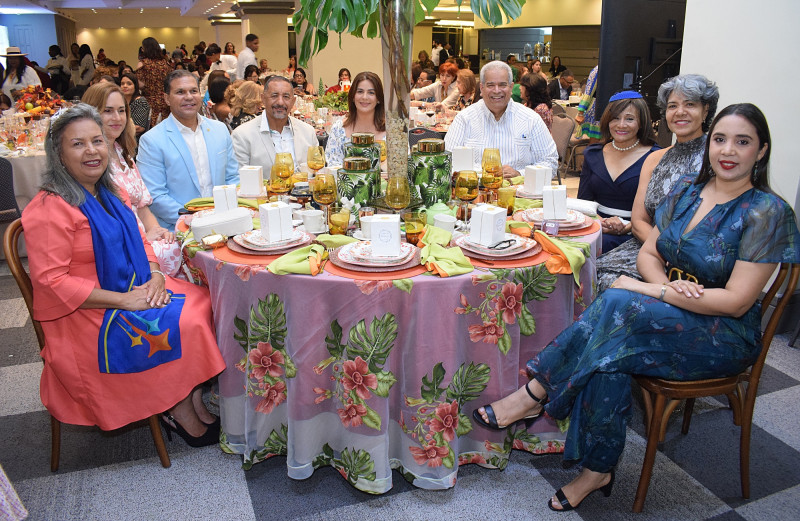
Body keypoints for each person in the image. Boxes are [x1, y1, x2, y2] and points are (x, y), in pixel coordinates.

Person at [474, 102, 800, 512]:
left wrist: (654, 293)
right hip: (671, 311)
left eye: (742, 142)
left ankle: (535, 392)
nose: (727, 151)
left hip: (721, 335)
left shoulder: (767, 212)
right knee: (610, 350)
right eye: (720, 139)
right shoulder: (686, 192)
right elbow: (649, 254)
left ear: (762, 151)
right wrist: (665, 286)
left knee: (617, 306)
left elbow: (736, 303)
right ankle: (596, 469)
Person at [21, 104, 227, 445]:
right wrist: (124, 299)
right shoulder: (49, 209)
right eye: (78, 144)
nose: (91, 151)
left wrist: (156, 273)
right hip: (85, 313)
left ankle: (185, 395)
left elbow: (140, 240)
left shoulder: (110, 192)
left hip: (129, 286)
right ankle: (178, 409)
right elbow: (52, 282)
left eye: (97, 141)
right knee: (185, 320)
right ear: (58, 154)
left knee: (204, 300)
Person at [595, 74, 719, 290]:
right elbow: (639, 220)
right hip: (647, 247)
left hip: (695, 258)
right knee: (591, 276)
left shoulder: (718, 158)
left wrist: (675, 255)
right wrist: (661, 248)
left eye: (690, 104)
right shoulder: (655, 158)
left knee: (618, 292)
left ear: (705, 110)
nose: (680, 112)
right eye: (673, 106)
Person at [82, 82, 182, 276]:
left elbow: (142, 206)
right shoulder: (91, 163)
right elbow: (103, 224)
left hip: (142, 239)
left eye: (121, 110)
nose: (117, 118)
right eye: (108, 111)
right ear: (91, 114)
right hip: (121, 251)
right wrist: (144, 237)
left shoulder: (123, 154)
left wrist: (157, 230)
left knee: (183, 245)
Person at [137, 70, 239, 228]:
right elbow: (155, 195)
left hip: (224, 221)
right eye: (180, 92)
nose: (189, 97)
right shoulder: (152, 140)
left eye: (193, 91)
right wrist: (194, 219)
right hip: (179, 228)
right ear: (167, 99)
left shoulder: (219, 130)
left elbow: (232, 177)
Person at [577, 91, 660, 252]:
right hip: (597, 227)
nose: (621, 125)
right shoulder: (593, 154)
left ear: (642, 122)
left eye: (629, 119)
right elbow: (583, 202)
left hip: (637, 235)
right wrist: (601, 222)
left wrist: (629, 226)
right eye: (615, 118)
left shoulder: (656, 157)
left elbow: (660, 213)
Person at [445, 61, 558, 177]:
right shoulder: (465, 119)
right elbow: (446, 161)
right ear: (481, 88)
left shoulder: (531, 119)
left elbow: (550, 163)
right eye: (490, 85)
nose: (497, 90)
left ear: (511, 87)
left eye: (503, 85)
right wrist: (479, 174)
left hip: (518, 192)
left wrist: (520, 173)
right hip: (475, 192)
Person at [232, 75, 317, 173]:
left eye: (286, 97)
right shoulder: (243, 135)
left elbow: (316, 174)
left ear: (293, 101)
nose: (280, 102)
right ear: (263, 99)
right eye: (274, 96)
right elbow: (240, 180)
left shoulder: (307, 132)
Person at [324, 71, 386, 166]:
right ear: (353, 96)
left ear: (378, 98)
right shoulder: (339, 129)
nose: (365, 97)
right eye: (360, 91)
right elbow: (332, 167)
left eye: (371, 92)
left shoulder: (392, 131)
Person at [138, 37, 173, 127]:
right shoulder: (165, 63)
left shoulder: (143, 64)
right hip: (165, 100)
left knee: (152, 127)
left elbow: (139, 84)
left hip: (149, 100)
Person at [119, 72, 150, 138]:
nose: (125, 86)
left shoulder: (140, 102)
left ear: (135, 86)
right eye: (122, 84)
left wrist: (118, 129)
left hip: (134, 140)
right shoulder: (119, 101)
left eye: (129, 84)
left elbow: (139, 128)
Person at [575, 66, 601, 141]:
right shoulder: (598, 69)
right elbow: (588, 92)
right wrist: (580, 112)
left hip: (612, 109)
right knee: (595, 144)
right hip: (597, 110)